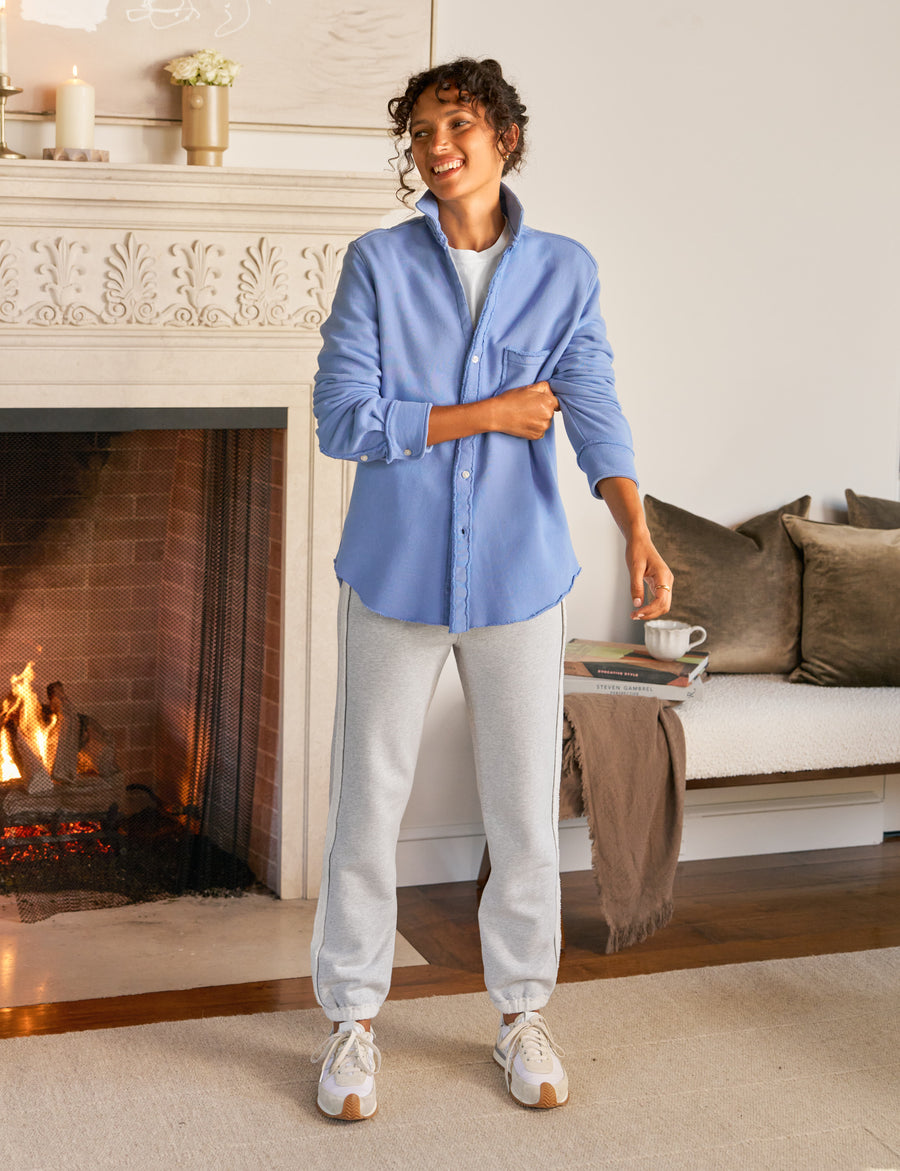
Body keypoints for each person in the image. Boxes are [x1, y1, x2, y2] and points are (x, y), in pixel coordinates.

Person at [309, 57, 673, 1121]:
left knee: (521, 809)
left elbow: (592, 403)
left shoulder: (565, 269)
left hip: (521, 574)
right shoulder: (376, 265)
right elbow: (342, 418)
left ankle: (521, 1012)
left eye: (457, 124)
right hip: (393, 573)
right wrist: (483, 414)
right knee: (365, 807)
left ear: (503, 137)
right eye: (421, 131)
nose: (437, 146)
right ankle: (353, 1022)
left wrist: (637, 530)